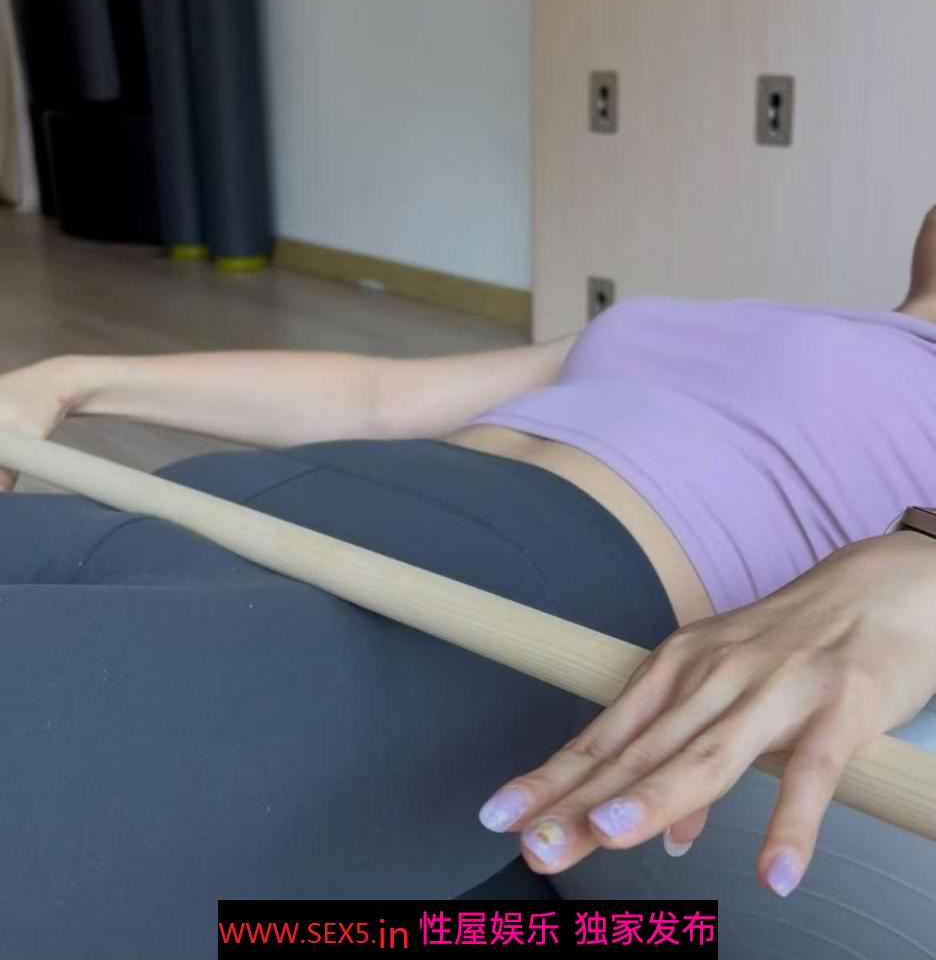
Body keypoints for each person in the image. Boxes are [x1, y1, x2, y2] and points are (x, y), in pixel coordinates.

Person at [2, 208, 936, 955]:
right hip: (227, 499)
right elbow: (379, 399)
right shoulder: (732, 318)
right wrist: (72, 380)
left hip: (469, 602)